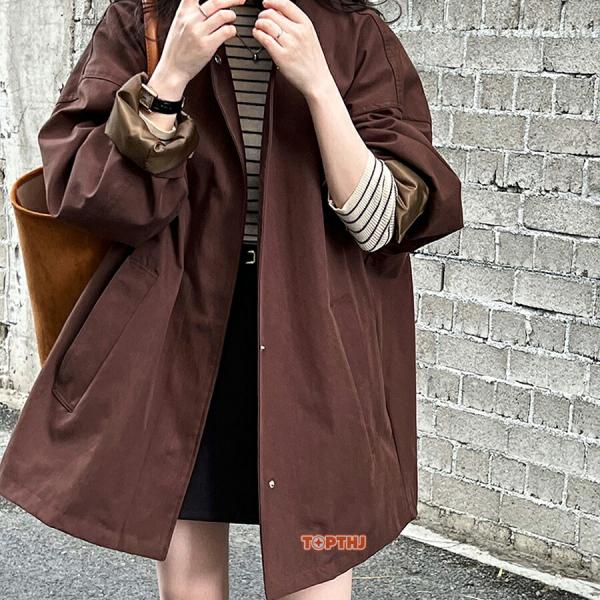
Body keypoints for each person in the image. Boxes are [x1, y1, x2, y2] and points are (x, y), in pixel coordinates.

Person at [0, 0, 463, 597]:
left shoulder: (353, 32)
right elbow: (95, 197)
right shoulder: (144, 21)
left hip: (317, 341)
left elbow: (382, 227)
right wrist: (169, 78)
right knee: (190, 585)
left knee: (320, 559)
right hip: (182, 335)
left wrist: (318, 84)